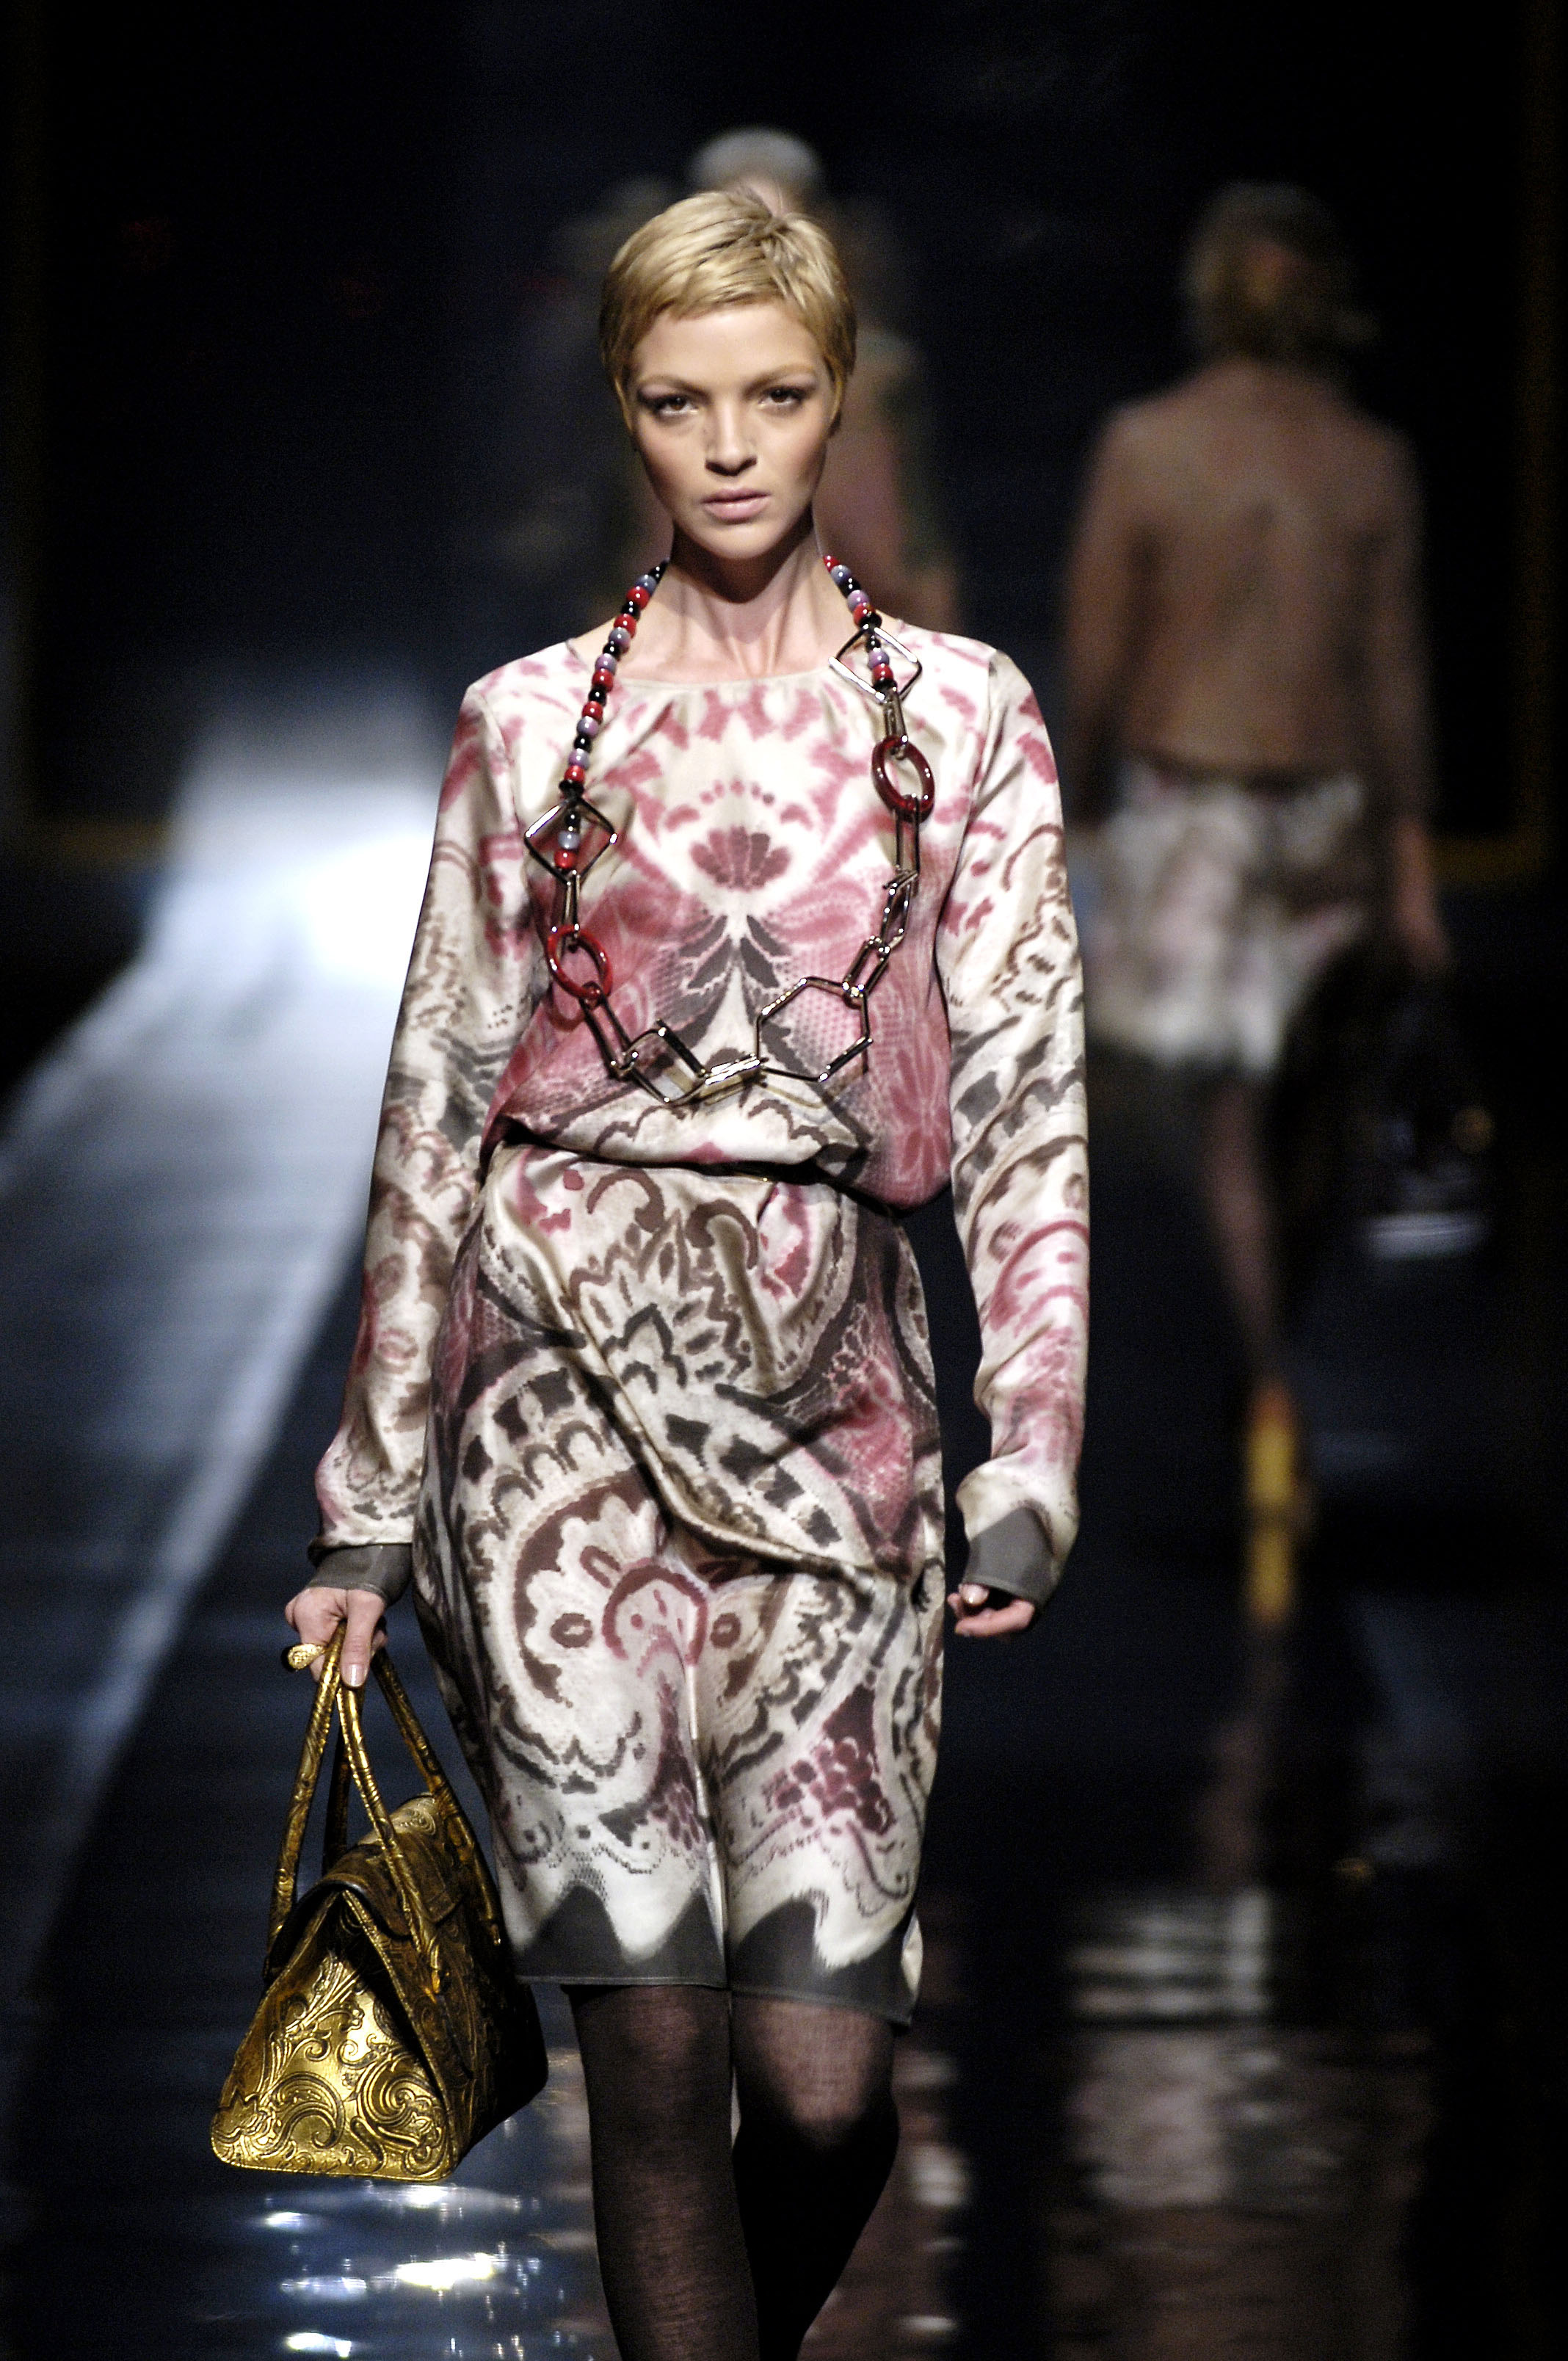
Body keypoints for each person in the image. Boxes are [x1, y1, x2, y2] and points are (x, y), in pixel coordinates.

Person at [287, 190, 1087, 2361]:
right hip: (551, 1409)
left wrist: (1033, 1441)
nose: (729, 448)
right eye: (676, 402)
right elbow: (434, 1109)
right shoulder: (530, 726)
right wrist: (370, 1504)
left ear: (840, 399)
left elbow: (1028, 1094)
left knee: (823, 2097)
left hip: (843, 1407)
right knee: (648, 2057)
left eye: (775, 395)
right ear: (622, 410)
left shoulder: (967, 720)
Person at [1064, 182, 1448, 1609]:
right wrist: (1411, 863)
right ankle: (1275, 1352)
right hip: (1331, 807)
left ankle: (1271, 1375)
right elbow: (1395, 677)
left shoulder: (1149, 446)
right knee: (1312, 1112)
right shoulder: (1369, 463)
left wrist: (1080, 808)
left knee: (1230, 1113)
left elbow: (1101, 649)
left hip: (1196, 803)